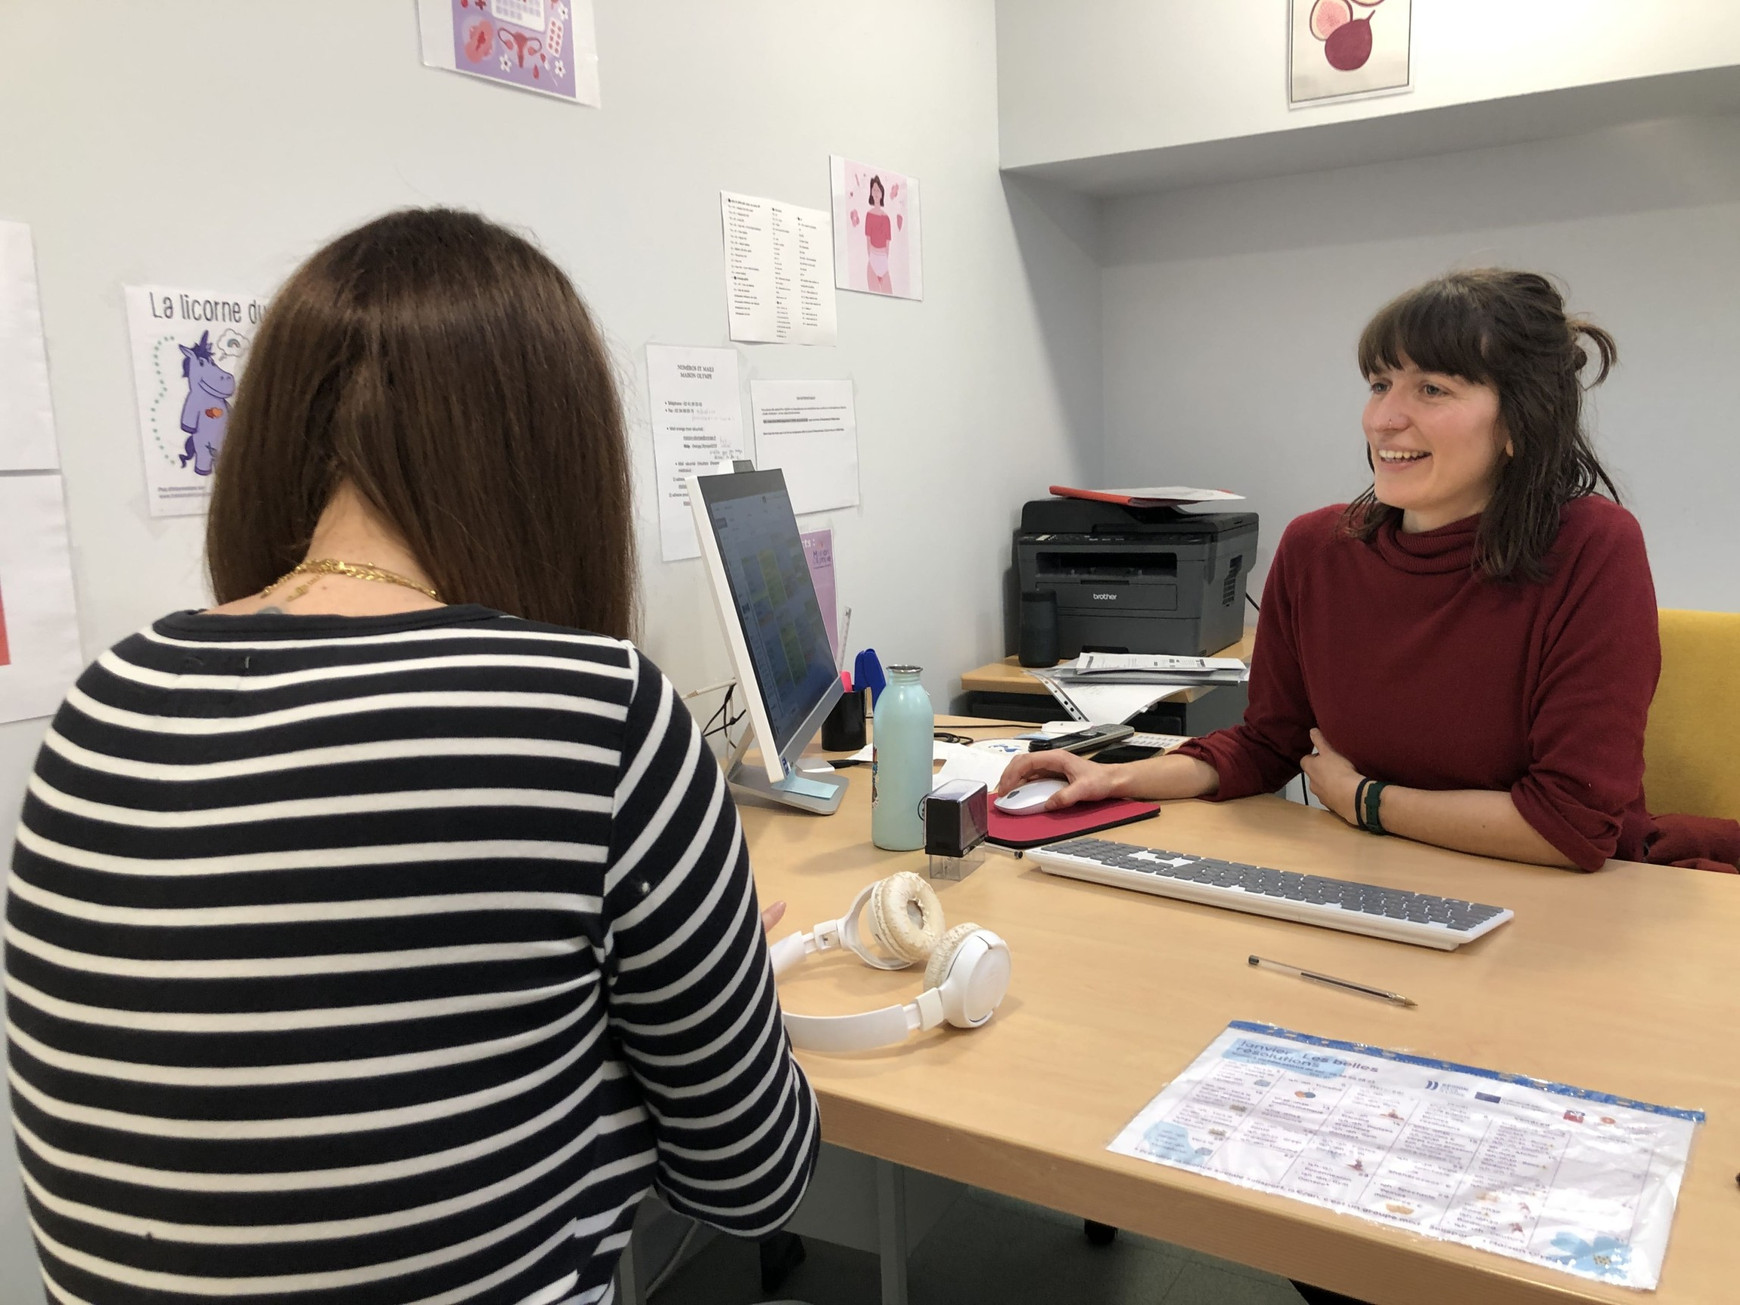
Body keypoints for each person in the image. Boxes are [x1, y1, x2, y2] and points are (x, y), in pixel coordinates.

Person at [5, 209, 820, 1305]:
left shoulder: (100, 707)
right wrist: (715, 999)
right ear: (553, 459)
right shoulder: (598, 715)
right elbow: (755, 1180)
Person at [998, 269, 1739, 875]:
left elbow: (1569, 825)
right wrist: (1115, 774)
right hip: (1381, 878)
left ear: (1519, 422)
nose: (1384, 418)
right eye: (1381, 383)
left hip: (1569, 904)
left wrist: (1366, 801)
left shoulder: (1591, 547)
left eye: (1432, 389)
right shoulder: (1317, 548)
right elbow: (1267, 743)